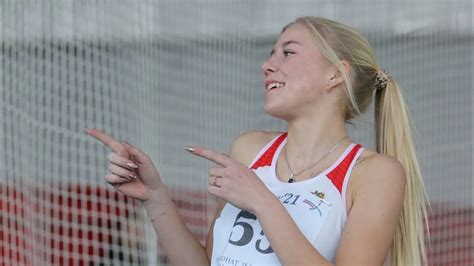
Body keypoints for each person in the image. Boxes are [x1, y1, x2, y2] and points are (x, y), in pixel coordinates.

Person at [85, 16, 429, 266]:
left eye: (288, 53)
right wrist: (155, 197)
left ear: (335, 74)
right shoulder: (250, 149)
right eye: (271, 53)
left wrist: (263, 202)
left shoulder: (374, 173)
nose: (267, 65)